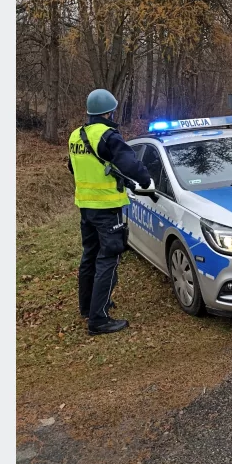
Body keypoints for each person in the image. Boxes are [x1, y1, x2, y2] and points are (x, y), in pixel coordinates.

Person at [68, 89, 152, 335]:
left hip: (85, 208)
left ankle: (87, 307)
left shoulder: (76, 135)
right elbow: (130, 163)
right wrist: (146, 179)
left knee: (89, 257)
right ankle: (99, 319)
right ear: (109, 111)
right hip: (107, 208)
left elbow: (71, 167)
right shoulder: (107, 135)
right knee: (108, 260)